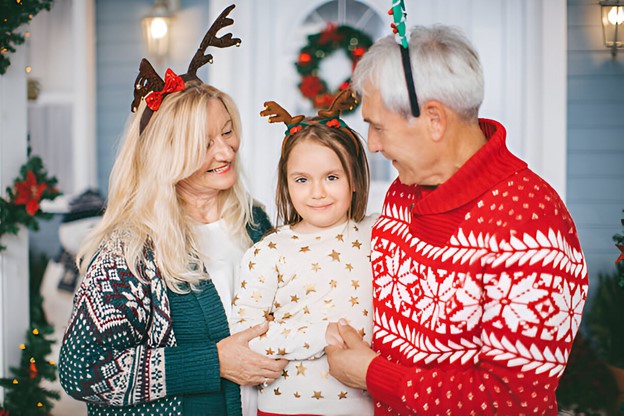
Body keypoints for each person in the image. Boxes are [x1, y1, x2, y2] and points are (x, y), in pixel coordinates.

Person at [325, 25, 589, 415]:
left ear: (434, 119)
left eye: (377, 126)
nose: (374, 145)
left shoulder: (531, 224)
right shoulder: (405, 191)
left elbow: (511, 401)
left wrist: (372, 374)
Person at [58, 6, 287, 415]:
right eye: (205, 143)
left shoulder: (253, 221)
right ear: (168, 156)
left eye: (228, 130)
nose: (226, 150)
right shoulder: (128, 251)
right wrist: (213, 362)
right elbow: (83, 370)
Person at [229, 89, 376, 416]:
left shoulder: (376, 233)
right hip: (285, 408)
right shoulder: (267, 251)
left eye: (332, 177)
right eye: (302, 180)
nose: (317, 192)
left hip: (362, 408)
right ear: (286, 184)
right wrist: (320, 335)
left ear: (354, 179)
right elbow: (246, 338)